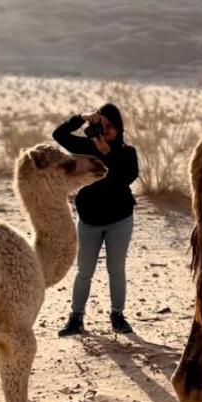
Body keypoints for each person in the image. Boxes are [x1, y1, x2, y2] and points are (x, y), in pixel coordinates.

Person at [51, 103, 139, 335]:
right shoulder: (84, 147)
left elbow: (127, 177)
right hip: (89, 220)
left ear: (119, 127)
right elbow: (58, 135)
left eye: (111, 126)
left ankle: (117, 316)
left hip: (120, 219)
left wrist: (108, 154)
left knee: (116, 269)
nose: (107, 130)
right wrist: (82, 117)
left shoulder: (127, 152)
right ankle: (76, 318)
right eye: (103, 125)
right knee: (84, 271)